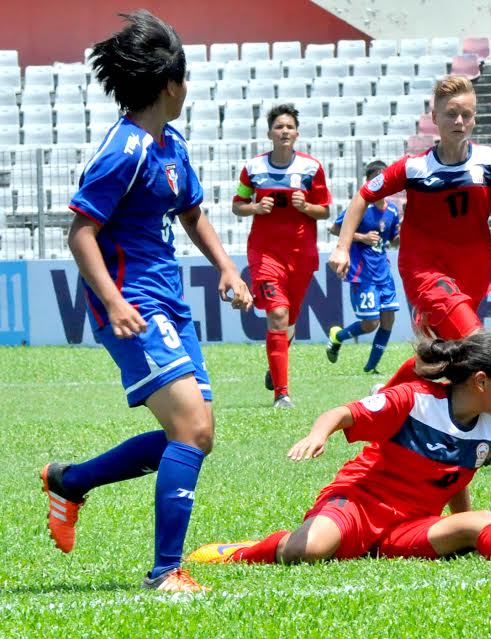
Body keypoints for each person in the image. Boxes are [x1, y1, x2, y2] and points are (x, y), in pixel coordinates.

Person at [40, 11, 253, 593]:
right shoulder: (124, 150)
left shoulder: (171, 143)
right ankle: (166, 572)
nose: (189, 90)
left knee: (197, 434)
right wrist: (112, 304)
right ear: (170, 85)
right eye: (186, 80)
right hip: (134, 304)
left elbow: (191, 213)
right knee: (190, 430)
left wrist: (228, 269)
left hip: (168, 301)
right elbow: (80, 232)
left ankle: (71, 481)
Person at [186, 330, 491, 566]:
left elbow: (455, 477)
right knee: (308, 551)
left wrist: (470, 530)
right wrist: (318, 435)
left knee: (480, 519)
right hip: (358, 502)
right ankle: (240, 552)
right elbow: (341, 413)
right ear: (481, 381)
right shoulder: (414, 400)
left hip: (409, 527)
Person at [328, 75, 491, 392]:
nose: (460, 121)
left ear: (475, 117)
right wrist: (342, 248)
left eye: (467, 114)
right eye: (451, 113)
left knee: (441, 355)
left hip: (473, 273)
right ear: (434, 117)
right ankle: (488, 427)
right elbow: (363, 196)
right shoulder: (414, 168)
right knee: (481, 347)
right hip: (425, 271)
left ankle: (383, 398)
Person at [233, 104, 332, 408]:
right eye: (279, 126)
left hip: (301, 256)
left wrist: (306, 208)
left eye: (289, 126)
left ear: (297, 133)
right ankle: (282, 394)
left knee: (289, 322)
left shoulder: (311, 167)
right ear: (269, 133)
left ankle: (275, 369)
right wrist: (254, 208)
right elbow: (238, 204)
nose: (284, 131)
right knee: (277, 314)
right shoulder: (253, 168)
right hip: (265, 255)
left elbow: (325, 210)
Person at [325, 160, 401, 374]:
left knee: (388, 319)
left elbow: (393, 240)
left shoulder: (392, 211)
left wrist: (402, 235)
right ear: (368, 182)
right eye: (376, 180)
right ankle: (337, 337)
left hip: (383, 272)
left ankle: (371, 367)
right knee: (370, 323)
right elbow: (334, 228)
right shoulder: (360, 206)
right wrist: (362, 237)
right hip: (363, 273)